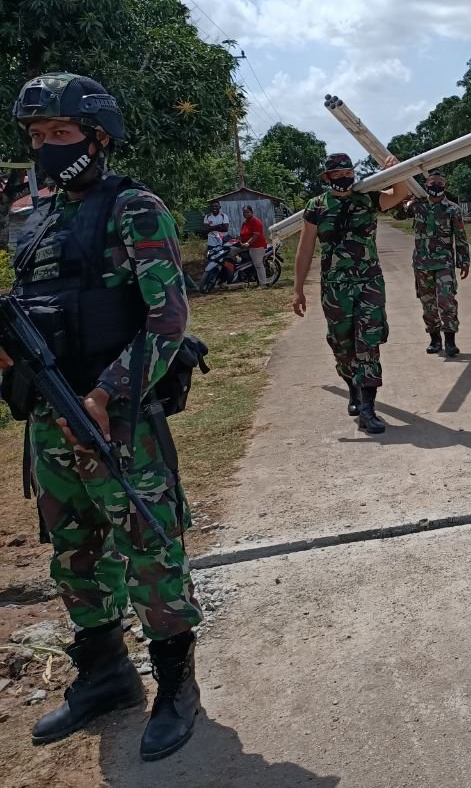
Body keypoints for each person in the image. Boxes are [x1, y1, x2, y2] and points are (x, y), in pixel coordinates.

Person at [4, 73, 203, 761]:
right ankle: (104, 675)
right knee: (76, 556)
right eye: (36, 136)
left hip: (116, 424)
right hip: (48, 425)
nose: (47, 147)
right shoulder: (37, 220)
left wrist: (107, 393)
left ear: (97, 138)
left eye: (59, 134)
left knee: (152, 556)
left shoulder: (135, 209)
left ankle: (177, 687)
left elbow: (169, 317)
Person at [292, 152, 409, 434]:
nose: (345, 178)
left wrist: (397, 171)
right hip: (335, 288)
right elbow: (305, 248)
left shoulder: (367, 198)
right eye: (339, 174)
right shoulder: (317, 206)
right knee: (343, 346)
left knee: (368, 343)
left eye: (349, 173)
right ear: (327, 178)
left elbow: (398, 195)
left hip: (369, 284)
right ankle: (353, 388)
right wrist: (297, 289)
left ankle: (368, 410)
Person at [396, 169, 469, 357]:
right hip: (421, 264)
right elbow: (397, 214)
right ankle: (435, 340)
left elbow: (460, 237)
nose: (435, 186)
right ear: (425, 185)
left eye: (439, 183)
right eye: (431, 183)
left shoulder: (452, 209)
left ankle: (450, 341)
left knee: (446, 301)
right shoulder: (417, 206)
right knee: (427, 303)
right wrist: (404, 196)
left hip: (444, 263)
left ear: (445, 186)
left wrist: (464, 261)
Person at [238, 205, 269, 286]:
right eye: (244, 212)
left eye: (247, 212)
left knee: (258, 264)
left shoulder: (255, 221)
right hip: (246, 246)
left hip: (257, 246)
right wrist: (239, 242)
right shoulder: (245, 223)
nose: (246, 214)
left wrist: (247, 243)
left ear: (252, 212)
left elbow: (255, 235)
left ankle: (263, 284)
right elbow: (241, 234)